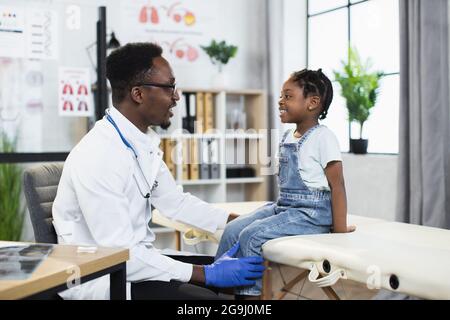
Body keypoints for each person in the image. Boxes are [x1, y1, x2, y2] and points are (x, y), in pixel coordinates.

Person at [52, 42, 264, 300]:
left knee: (244, 272)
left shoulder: (141, 142)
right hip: (101, 276)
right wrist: (205, 274)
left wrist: (240, 221)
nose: (176, 97)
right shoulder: (98, 154)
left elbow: (175, 202)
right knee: (209, 295)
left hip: (136, 260)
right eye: (170, 87)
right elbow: (121, 253)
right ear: (138, 94)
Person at [215, 68, 356, 299]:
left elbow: (337, 186)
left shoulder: (324, 137)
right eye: (282, 96)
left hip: (310, 214)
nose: (280, 101)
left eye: (288, 96)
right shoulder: (287, 136)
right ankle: (217, 289)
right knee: (232, 230)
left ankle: (248, 298)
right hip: (285, 206)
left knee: (251, 236)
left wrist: (338, 232)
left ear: (312, 102)